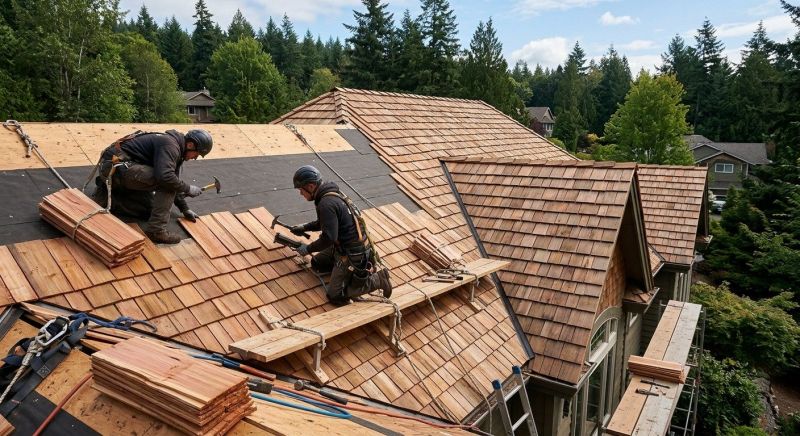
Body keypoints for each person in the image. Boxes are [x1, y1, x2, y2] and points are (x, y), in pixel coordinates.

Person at [289, 165, 392, 305]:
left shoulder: (326, 203)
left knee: (335, 296)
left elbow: (328, 238)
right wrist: (305, 227)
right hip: (343, 245)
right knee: (317, 263)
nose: (301, 193)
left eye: (301, 190)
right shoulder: (331, 194)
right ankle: (342, 274)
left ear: (311, 186)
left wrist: (308, 249)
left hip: (352, 253)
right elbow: (326, 222)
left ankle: (377, 280)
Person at [90, 129, 213, 244]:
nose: (195, 158)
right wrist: (188, 189)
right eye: (197, 154)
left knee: (148, 210)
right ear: (190, 145)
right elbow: (166, 178)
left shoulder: (176, 149)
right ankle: (156, 231)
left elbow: (173, 180)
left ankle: (107, 197)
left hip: (121, 168)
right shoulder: (170, 146)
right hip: (113, 169)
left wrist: (184, 208)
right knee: (166, 183)